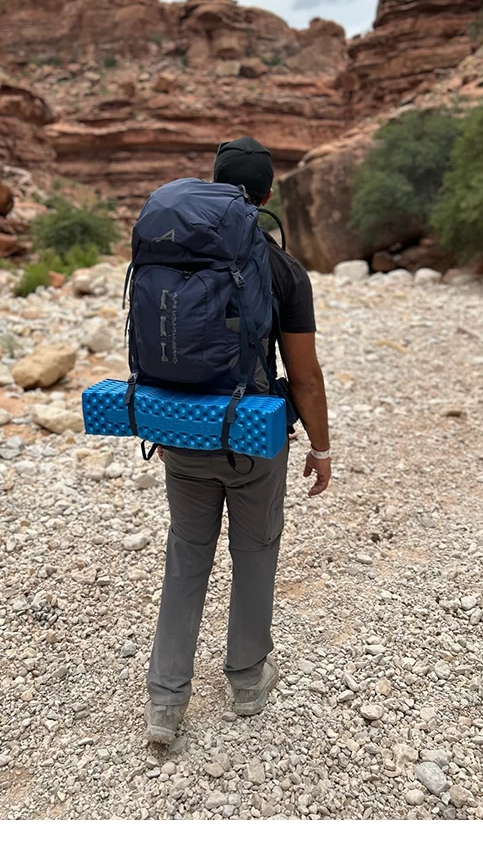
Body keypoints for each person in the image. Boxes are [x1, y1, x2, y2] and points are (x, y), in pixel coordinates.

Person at [144, 135, 332, 745]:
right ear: (268, 195)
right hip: (251, 436)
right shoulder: (282, 269)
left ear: (216, 185)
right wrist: (321, 448)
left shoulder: (173, 249)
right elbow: (304, 375)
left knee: (187, 555)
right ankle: (248, 681)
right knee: (255, 551)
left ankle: (165, 703)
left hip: (180, 433)